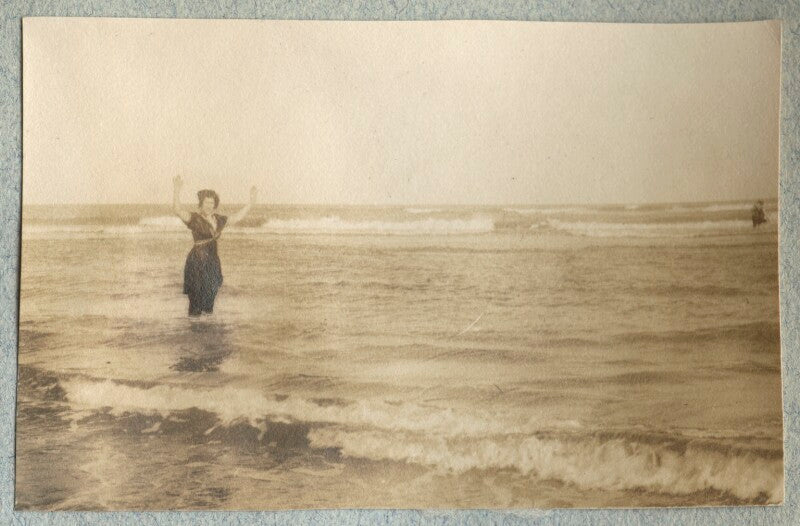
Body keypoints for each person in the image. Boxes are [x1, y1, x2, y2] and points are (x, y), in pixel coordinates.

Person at [172, 176, 258, 316]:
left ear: (215, 204)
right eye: (206, 202)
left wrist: (251, 203)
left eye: (211, 202)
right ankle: (193, 331)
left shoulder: (219, 219)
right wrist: (176, 190)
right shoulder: (194, 218)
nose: (209, 205)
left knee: (210, 299)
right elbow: (177, 210)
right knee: (195, 300)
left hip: (212, 262)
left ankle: (207, 332)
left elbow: (236, 217)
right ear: (201, 203)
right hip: (197, 262)